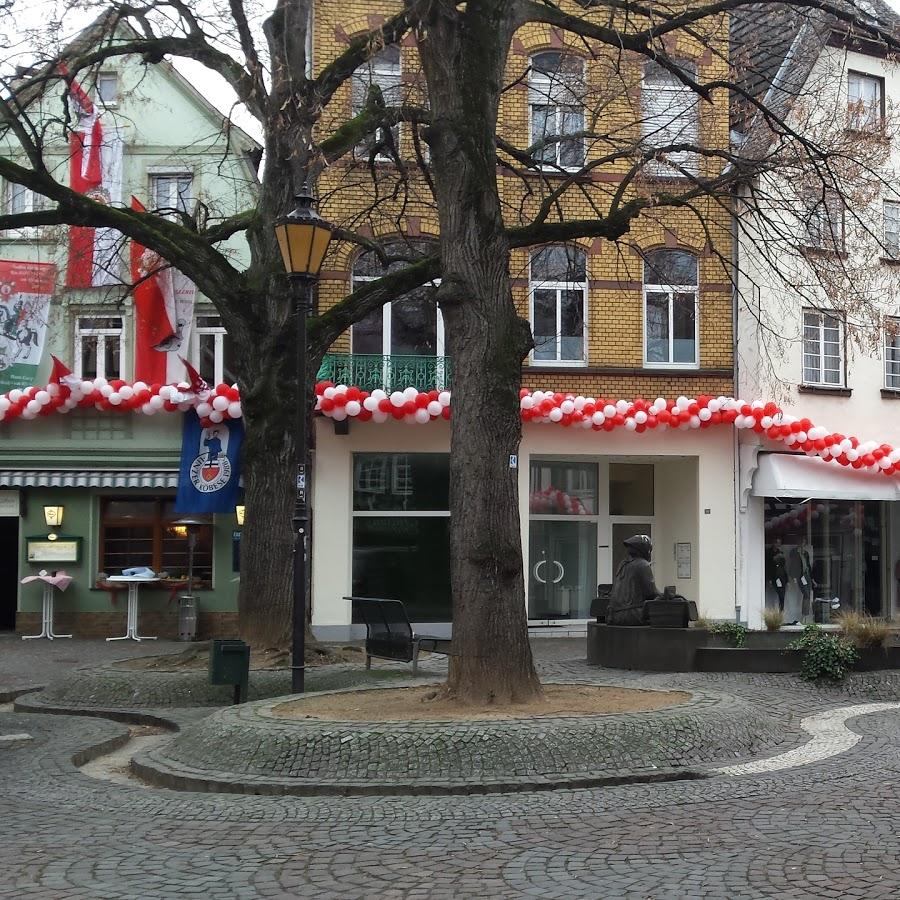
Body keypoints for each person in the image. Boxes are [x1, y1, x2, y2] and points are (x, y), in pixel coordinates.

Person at [607, 534, 660, 625]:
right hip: (633, 615)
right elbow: (651, 593)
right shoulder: (642, 564)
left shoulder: (623, 564)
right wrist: (668, 596)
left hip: (614, 615)